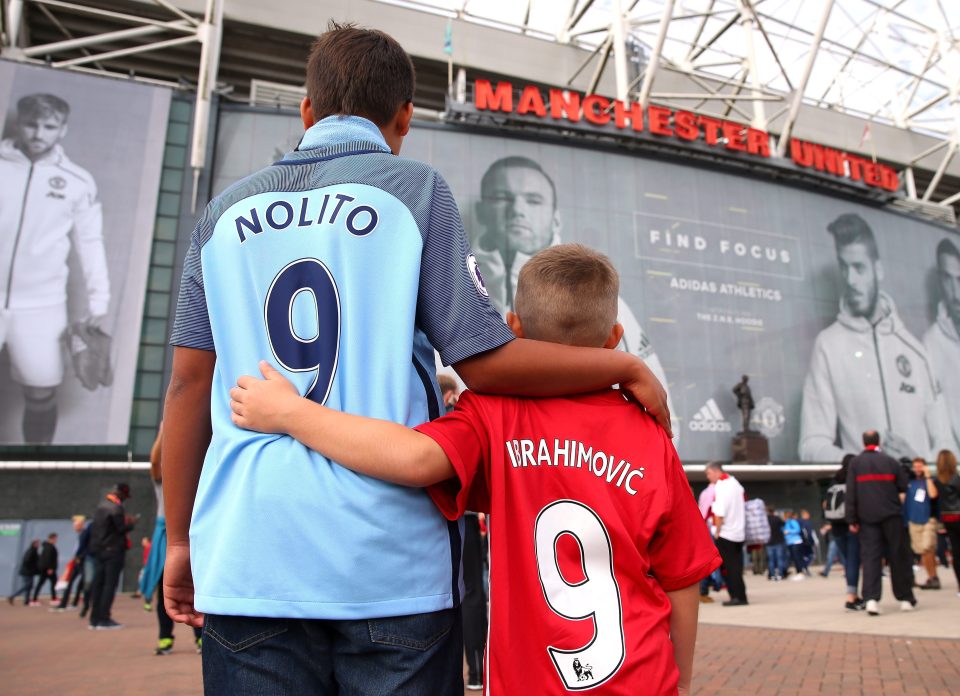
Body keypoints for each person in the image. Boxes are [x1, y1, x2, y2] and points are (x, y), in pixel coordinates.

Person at [162, 24, 670, 696]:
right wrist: (623, 368)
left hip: (251, 557)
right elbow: (485, 361)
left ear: (305, 110)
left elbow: (187, 387)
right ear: (405, 117)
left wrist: (177, 541)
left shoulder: (219, 216)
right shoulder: (415, 190)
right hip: (389, 563)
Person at [230, 243, 720, 695]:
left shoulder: (494, 412)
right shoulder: (650, 432)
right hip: (644, 677)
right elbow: (681, 580)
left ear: (514, 330)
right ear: (616, 337)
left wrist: (292, 414)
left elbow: (414, 458)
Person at [471, 156, 675, 430]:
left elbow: (663, 413)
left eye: (533, 200)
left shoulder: (613, 306)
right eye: (502, 198)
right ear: (482, 212)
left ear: (555, 220)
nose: (517, 210)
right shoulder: (455, 303)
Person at [0, 93, 110, 444]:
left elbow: (90, 240)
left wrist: (99, 299)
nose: (38, 133)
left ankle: (36, 469)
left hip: (41, 304)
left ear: (62, 130)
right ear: (19, 122)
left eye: (49, 126)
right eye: (32, 124)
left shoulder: (78, 181)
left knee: (41, 391)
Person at [799, 213, 951, 462]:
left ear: (878, 270)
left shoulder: (916, 350)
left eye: (859, 268)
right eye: (844, 268)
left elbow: (947, 445)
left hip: (918, 496)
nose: (851, 280)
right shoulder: (828, 345)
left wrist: (917, 461)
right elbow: (811, 445)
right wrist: (862, 464)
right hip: (868, 495)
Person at [139, 425, 203, 655]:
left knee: (199, 589)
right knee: (164, 587)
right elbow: (156, 463)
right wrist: (164, 431)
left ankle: (201, 637)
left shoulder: (200, 477)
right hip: (167, 537)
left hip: (196, 535)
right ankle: (165, 637)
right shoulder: (162, 480)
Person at [846, 430, 917, 615]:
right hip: (891, 516)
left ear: (863, 443)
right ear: (878, 441)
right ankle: (905, 598)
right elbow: (903, 486)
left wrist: (852, 518)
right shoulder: (890, 461)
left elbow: (851, 493)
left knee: (870, 558)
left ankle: (871, 599)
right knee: (897, 556)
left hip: (867, 518)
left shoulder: (856, 463)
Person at [924, 239, 960, 454]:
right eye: (948, 279)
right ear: (940, 281)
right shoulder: (930, 343)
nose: (955, 293)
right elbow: (940, 426)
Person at [88, 482, 135, 630]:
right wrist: (132, 524)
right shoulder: (116, 507)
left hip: (98, 550)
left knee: (98, 585)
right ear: (121, 493)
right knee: (109, 585)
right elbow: (120, 528)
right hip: (113, 550)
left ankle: (94, 619)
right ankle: (104, 618)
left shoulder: (101, 505)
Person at [823, 454, 864, 611]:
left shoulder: (835, 479)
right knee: (854, 561)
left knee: (848, 562)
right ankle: (851, 597)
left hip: (836, 527)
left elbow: (825, 504)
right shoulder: (854, 478)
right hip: (851, 525)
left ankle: (854, 594)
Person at [705, 462, 748, 606]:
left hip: (726, 533)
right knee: (737, 566)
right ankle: (741, 594)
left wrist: (717, 531)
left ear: (717, 472)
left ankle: (736, 596)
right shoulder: (736, 484)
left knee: (729, 568)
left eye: (709, 473)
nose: (708, 477)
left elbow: (720, 511)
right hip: (739, 532)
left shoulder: (722, 486)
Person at [904, 457, 940, 590]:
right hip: (914, 520)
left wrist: (928, 476)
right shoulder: (910, 482)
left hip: (928, 518)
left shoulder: (929, 481)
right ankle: (931, 577)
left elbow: (933, 495)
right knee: (922, 551)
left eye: (920, 466)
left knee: (927, 547)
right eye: (915, 466)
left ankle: (933, 576)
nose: (917, 469)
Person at [933, 450, 960, 596]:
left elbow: (934, 498)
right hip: (958, 515)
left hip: (947, 518)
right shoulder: (957, 478)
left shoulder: (937, 480)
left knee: (956, 552)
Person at [52, 515, 90, 612]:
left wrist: (80, 557)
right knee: (70, 582)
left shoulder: (85, 534)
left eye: (75, 525)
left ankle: (81, 603)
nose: (74, 528)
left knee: (83, 584)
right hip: (77, 561)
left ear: (80, 525)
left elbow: (85, 548)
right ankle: (64, 604)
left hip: (82, 561)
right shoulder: (81, 534)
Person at [8, 539, 40, 606]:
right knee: (27, 586)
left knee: (29, 586)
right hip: (27, 572)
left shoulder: (33, 551)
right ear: (34, 544)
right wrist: (33, 567)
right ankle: (13, 596)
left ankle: (26, 601)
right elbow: (27, 561)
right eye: (37, 543)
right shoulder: (32, 551)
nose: (39, 545)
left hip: (29, 572)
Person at [32, 533, 59, 604]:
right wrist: (50, 568)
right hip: (48, 569)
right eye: (55, 539)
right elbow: (48, 558)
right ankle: (53, 599)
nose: (56, 540)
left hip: (46, 569)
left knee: (49, 583)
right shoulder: (49, 547)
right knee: (51, 583)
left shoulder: (47, 546)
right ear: (51, 538)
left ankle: (53, 598)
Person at [783, 511, 808, 581]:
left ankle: (800, 571)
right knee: (793, 558)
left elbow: (797, 530)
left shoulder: (792, 522)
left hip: (795, 541)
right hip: (789, 542)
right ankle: (797, 571)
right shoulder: (786, 523)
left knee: (797, 557)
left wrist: (788, 531)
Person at [765, 507, 786, 581]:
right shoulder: (777, 518)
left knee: (771, 560)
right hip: (778, 541)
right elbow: (784, 523)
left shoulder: (765, 520)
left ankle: (772, 575)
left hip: (769, 542)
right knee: (779, 559)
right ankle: (780, 574)